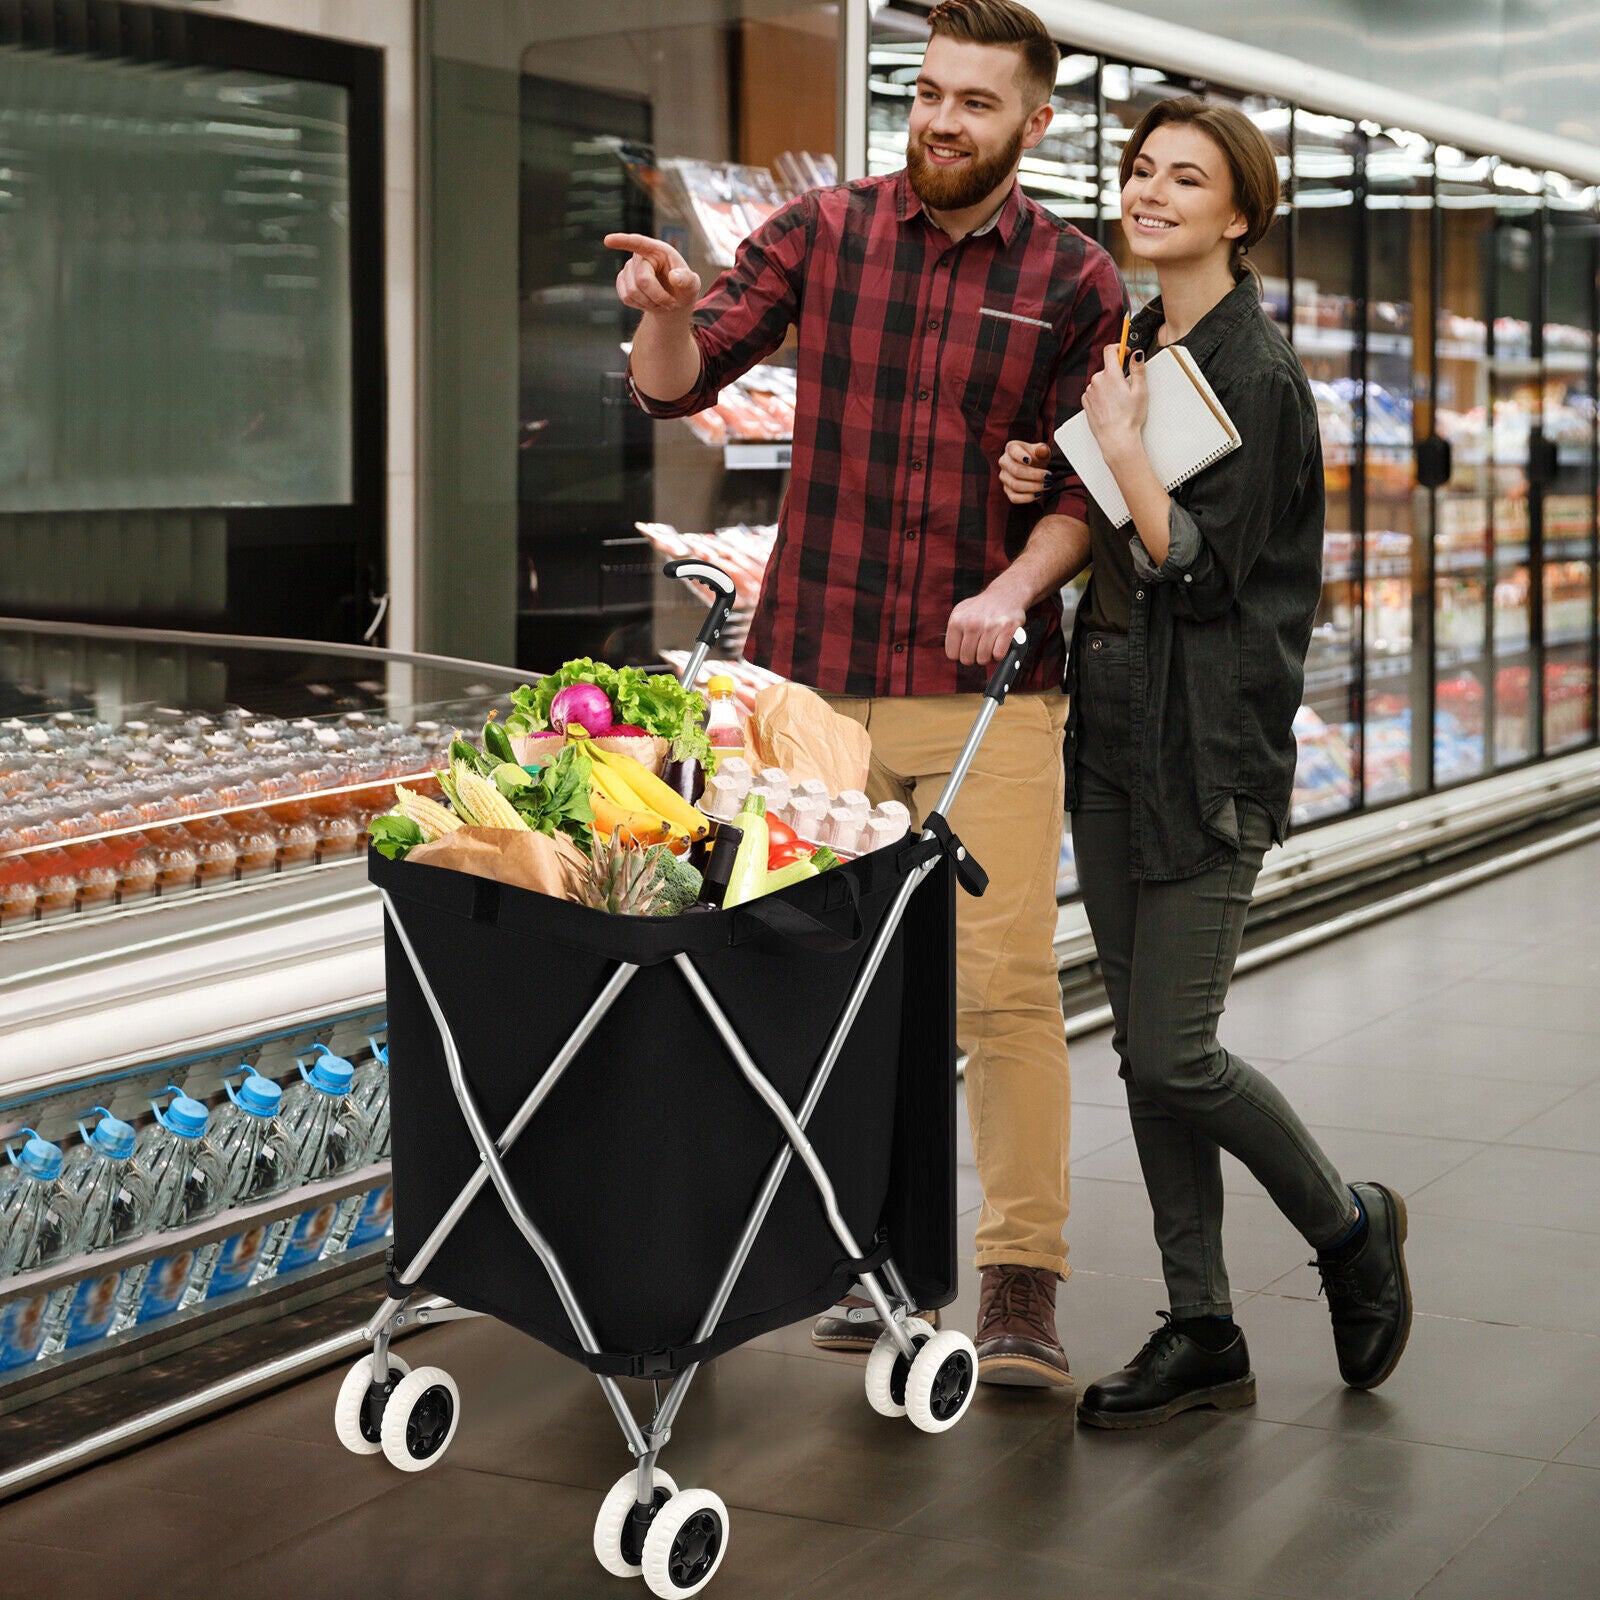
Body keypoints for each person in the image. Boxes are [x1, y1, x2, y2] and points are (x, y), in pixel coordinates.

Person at [608, 0, 1126, 1388]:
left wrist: (1017, 587)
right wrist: (663, 321)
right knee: (809, 977)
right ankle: (857, 1247)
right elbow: (683, 375)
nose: (943, 121)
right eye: (931, 94)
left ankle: (1020, 1282)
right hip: (814, 686)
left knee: (1004, 987)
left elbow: (1089, 490)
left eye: (975, 102)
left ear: (1034, 122)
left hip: (988, 690)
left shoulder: (1078, 282)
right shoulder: (822, 234)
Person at [999, 96, 1412, 1428]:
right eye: (1138, 172)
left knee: (1175, 1053)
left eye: (1187, 178)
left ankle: (1349, 1227)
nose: (1151, 192)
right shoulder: (1136, 339)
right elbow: (1123, 533)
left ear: (1240, 213)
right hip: (1113, 724)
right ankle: (1203, 1324)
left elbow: (1196, 560)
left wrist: (1116, 450)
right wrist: (1051, 478)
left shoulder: (1260, 370)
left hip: (1208, 740)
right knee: (1139, 1051)